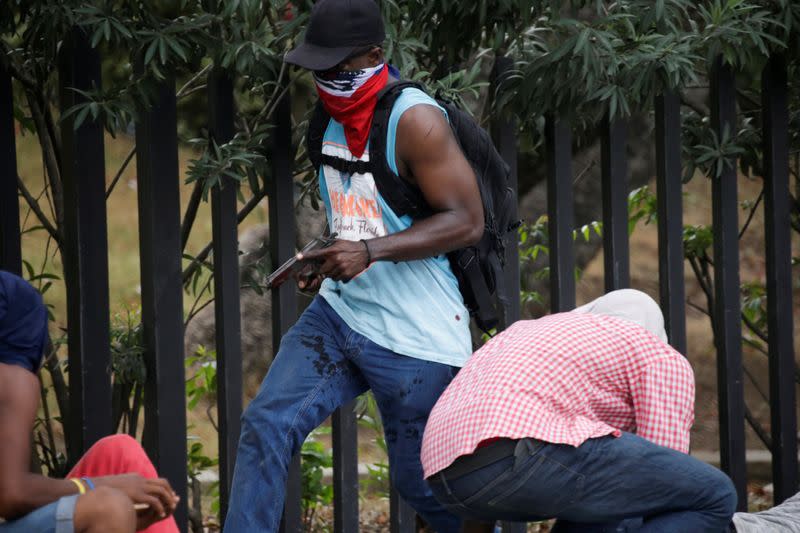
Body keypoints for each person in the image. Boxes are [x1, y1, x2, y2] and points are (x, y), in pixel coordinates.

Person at [223, 0, 484, 531]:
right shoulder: (326, 121)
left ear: (375, 55)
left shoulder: (416, 121)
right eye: (318, 68)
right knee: (266, 424)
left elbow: (466, 220)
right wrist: (330, 255)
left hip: (417, 333)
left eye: (339, 67)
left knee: (422, 484)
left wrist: (368, 253)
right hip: (340, 316)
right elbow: (362, 215)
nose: (327, 79)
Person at [421, 289, 741, 532]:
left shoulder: (529, 333)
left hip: (444, 479)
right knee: (714, 494)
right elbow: (664, 484)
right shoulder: (655, 353)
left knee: (603, 503)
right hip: (518, 455)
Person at [0, 270, 180, 533]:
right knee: (109, 506)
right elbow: (10, 495)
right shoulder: (13, 375)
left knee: (118, 452)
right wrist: (98, 489)